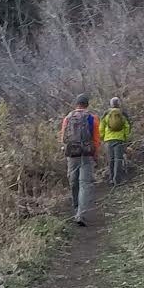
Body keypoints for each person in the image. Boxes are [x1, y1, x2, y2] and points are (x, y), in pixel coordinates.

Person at [60, 94, 100, 226]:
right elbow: (96, 140)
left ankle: (76, 207)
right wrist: (95, 154)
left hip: (72, 155)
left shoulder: (67, 118)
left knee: (74, 182)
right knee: (84, 183)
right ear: (87, 104)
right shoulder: (92, 118)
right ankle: (80, 214)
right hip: (87, 155)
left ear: (76, 104)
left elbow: (63, 139)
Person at [100, 96, 131, 186]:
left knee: (111, 159)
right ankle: (117, 180)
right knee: (118, 159)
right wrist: (125, 137)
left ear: (111, 104)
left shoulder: (106, 114)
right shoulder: (122, 114)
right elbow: (127, 126)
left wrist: (102, 137)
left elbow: (101, 127)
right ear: (119, 104)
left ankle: (111, 179)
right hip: (119, 139)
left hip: (108, 140)